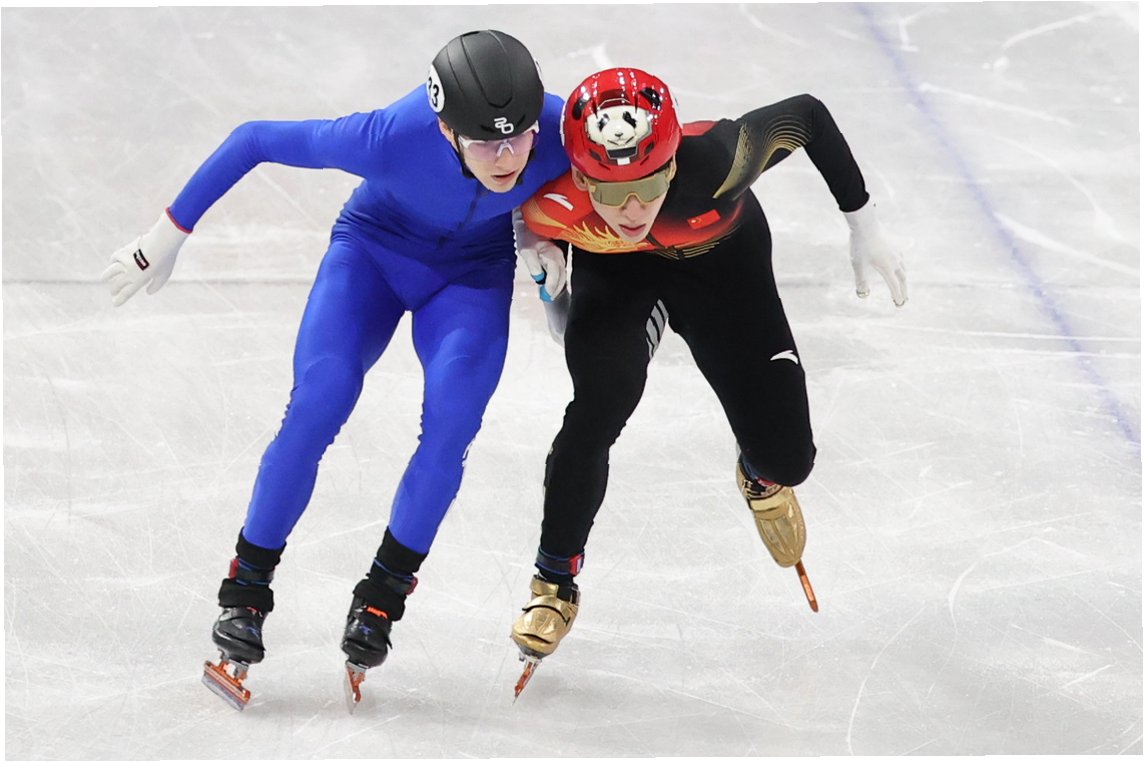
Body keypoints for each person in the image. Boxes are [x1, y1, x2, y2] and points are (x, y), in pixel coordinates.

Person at [100, 30, 571, 708]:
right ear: (445, 128)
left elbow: (642, 178)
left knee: (452, 426)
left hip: (471, 275)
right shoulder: (388, 137)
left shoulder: (561, 126)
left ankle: (383, 594)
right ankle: (247, 589)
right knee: (319, 401)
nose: (508, 158)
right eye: (485, 143)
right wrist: (164, 237)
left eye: (520, 139)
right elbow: (253, 139)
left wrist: (543, 237)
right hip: (373, 256)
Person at [508, 68, 907, 679]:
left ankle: (760, 475)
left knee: (789, 459)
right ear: (582, 177)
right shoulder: (549, 197)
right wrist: (543, 260)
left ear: (673, 164)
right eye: (610, 192)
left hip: (723, 269)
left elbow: (807, 114)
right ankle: (553, 580)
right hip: (619, 281)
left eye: (649, 184)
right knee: (598, 406)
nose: (632, 210)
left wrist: (864, 223)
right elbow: (509, 216)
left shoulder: (721, 161)